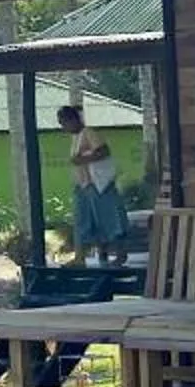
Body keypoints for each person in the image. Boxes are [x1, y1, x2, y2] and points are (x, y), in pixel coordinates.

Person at [56, 102, 131, 267]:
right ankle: (85, 257)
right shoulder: (76, 137)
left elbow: (103, 151)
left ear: (72, 120)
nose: (64, 127)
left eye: (64, 123)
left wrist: (82, 159)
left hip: (99, 185)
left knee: (111, 221)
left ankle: (120, 255)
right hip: (84, 186)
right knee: (89, 223)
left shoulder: (88, 133)